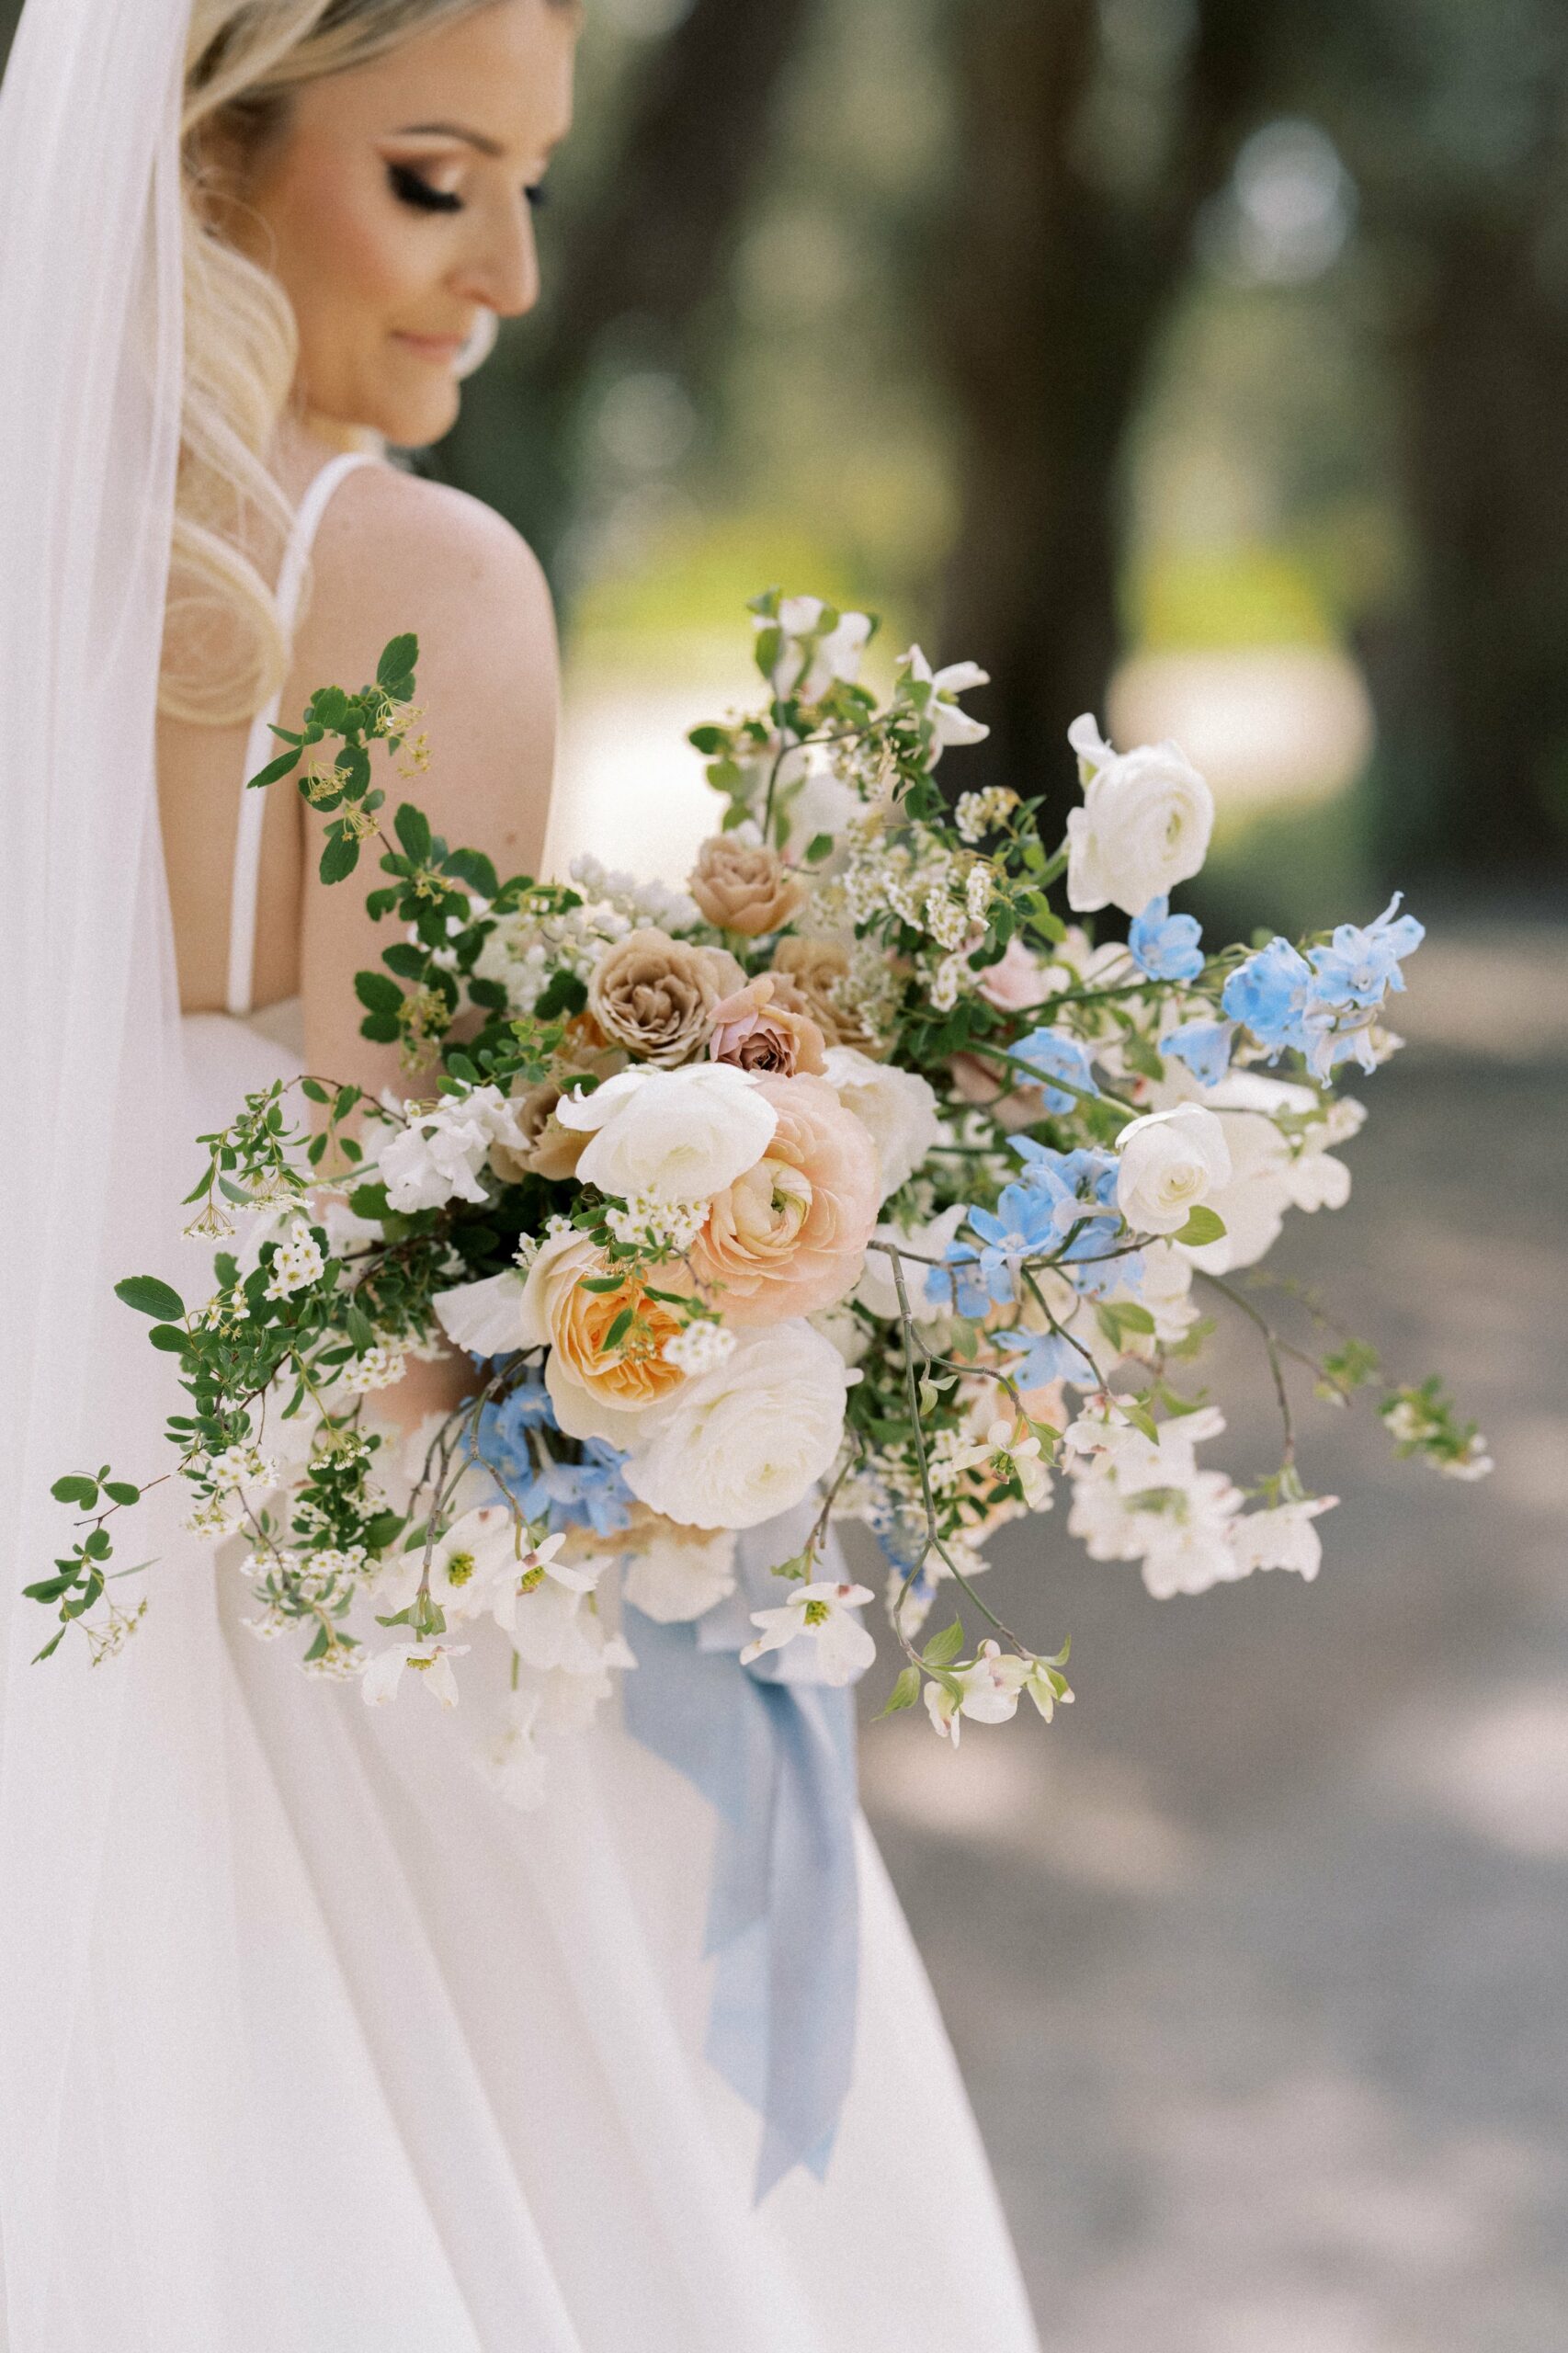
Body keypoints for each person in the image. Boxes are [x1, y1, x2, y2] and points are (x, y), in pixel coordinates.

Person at [0, 5, 1043, 2347]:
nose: (514, 274)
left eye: (536, 186)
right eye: (439, 177)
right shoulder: (412, 580)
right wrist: (708, 1358)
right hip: (305, 1578)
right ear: (202, 162)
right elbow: (426, 1306)